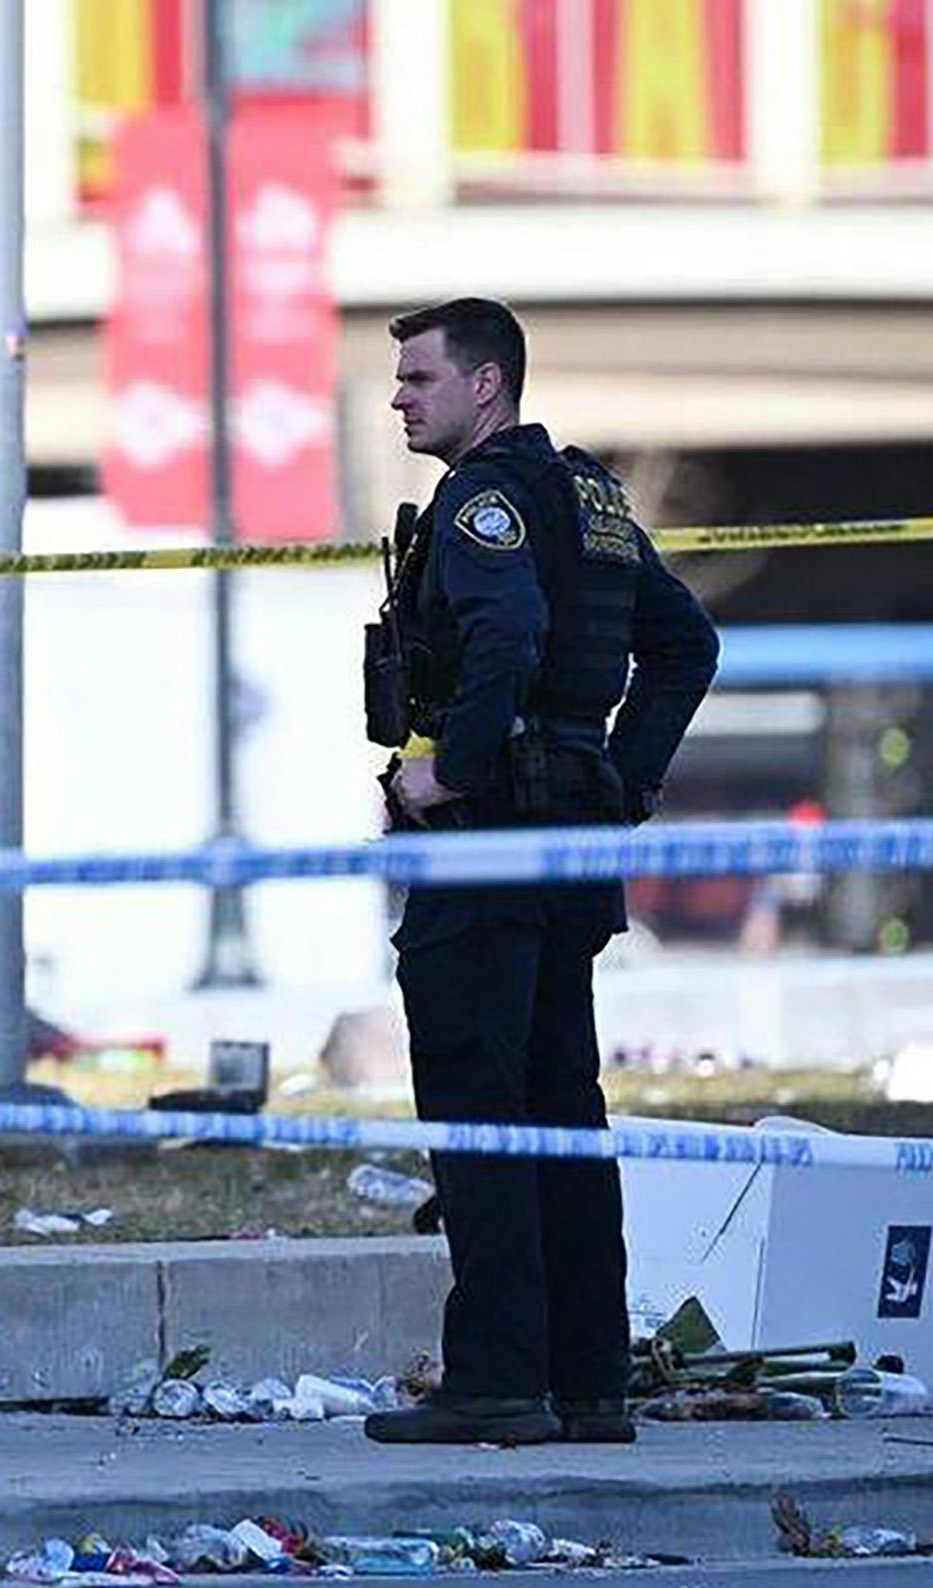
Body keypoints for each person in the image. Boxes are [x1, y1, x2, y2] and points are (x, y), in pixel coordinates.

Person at [362, 297, 718, 1448]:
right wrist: (623, 778)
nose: (401, 398)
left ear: (487, 386)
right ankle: (590, 1381)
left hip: (491, 843)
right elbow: (684, 644)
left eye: (420, 378)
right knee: (566, 1109)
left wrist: (445, 776)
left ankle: (498, 1380)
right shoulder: (599, 498)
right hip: (571, 845)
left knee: (482, 1107)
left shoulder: (486, 502)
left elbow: (507, 636)